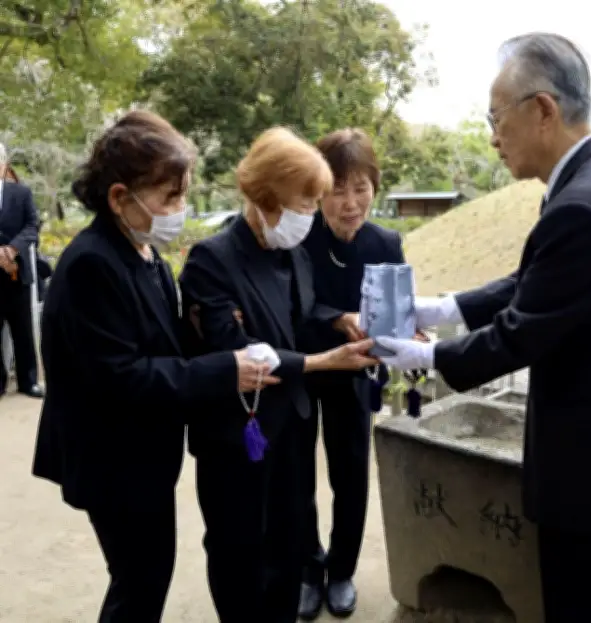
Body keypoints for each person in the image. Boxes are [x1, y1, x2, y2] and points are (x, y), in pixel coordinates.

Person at [374, 32, 591, 623]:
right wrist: (444, 308)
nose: (491, 135)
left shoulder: (586, 204)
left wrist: (422, 356)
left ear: (544, 111)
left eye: (495, 117)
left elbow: (520, 335)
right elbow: (538, 282)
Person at [31, 110, 280, 623]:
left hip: (143, 455)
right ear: (120, 197)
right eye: (170, 197)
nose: (181, 209)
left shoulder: (142, 254)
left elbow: (162, 342)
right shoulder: (91, 265)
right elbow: (122, 376)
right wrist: (223, 370)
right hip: (112, 459)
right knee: (139, 581)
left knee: (147, 574)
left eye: (183, 193)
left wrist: (206, 327)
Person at [178, 126, 378, 623]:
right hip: (237, 431)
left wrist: (337, 320)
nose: (311, 215)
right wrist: (320, 362)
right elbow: (237, 350)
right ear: (265, 198)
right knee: (241, 547)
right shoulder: (213, 260)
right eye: (304, 204)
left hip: (291, 422)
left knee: (288, 541)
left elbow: (301, 318)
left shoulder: (291, 251)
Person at [297, 128, 404, 619]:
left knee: (351, 475)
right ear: (318, 189)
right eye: (338, 189)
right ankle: (306, 568)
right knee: (295, 476)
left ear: (374, 189)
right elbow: (293, 303)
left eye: (360, 188)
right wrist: (337, 318)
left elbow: (396, 312)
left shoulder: (386, 242)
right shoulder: (298, 238)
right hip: (303, 365)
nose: (350, 202)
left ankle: (341, 570)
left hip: (356, 372)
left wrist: (405, 334)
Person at [0, 142, 44, 399]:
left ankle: (29, 381)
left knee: (23, 330)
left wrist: (12, 249)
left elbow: (32, 225)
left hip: (17, 273)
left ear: (4, 164)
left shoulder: (21, 193)